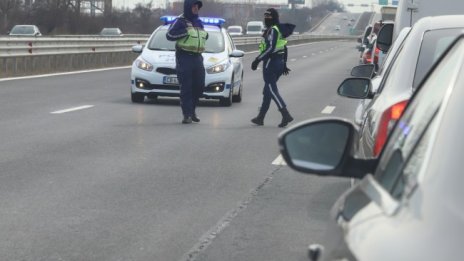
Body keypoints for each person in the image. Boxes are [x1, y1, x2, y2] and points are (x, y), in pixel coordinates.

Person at [250, 8, 295, 128]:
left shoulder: (273, 30)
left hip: (271, 63)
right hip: (279, 62)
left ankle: (285, 114)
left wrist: (257, 60)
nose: (266, 18)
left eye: (269, 16)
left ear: (274, 17)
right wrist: (284, 64)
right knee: (267, 92)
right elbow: (284, 47)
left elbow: (271, 48)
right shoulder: (278, 29)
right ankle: (260, 117)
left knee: (272, 91)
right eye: (265, 16)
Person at [166, 0, 208, 124]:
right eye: (194, 6)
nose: (196, 8)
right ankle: (187, 114)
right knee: (187, 87)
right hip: (184, 57)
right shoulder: (180, 21)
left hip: (198, 57)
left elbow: (201, 36)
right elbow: (169, 35)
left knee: (200, 86)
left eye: (197, 7)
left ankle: (193, 110)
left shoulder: (199, 21)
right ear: (188, 7)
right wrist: (185, 32)